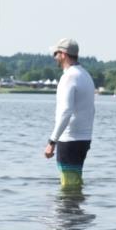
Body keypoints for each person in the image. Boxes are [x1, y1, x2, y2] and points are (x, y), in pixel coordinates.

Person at [43, 38, 95, 190]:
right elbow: (91, 109)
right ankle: (76, 212)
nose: (54, 57)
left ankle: (68, 213)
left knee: (68, 188)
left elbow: (66, 111)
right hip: (84, 138)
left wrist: (52, 141)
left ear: (63, 54)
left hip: (70, 139)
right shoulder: (85, 75)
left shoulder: (69, 77)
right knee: (75, 183)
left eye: (56, 53)